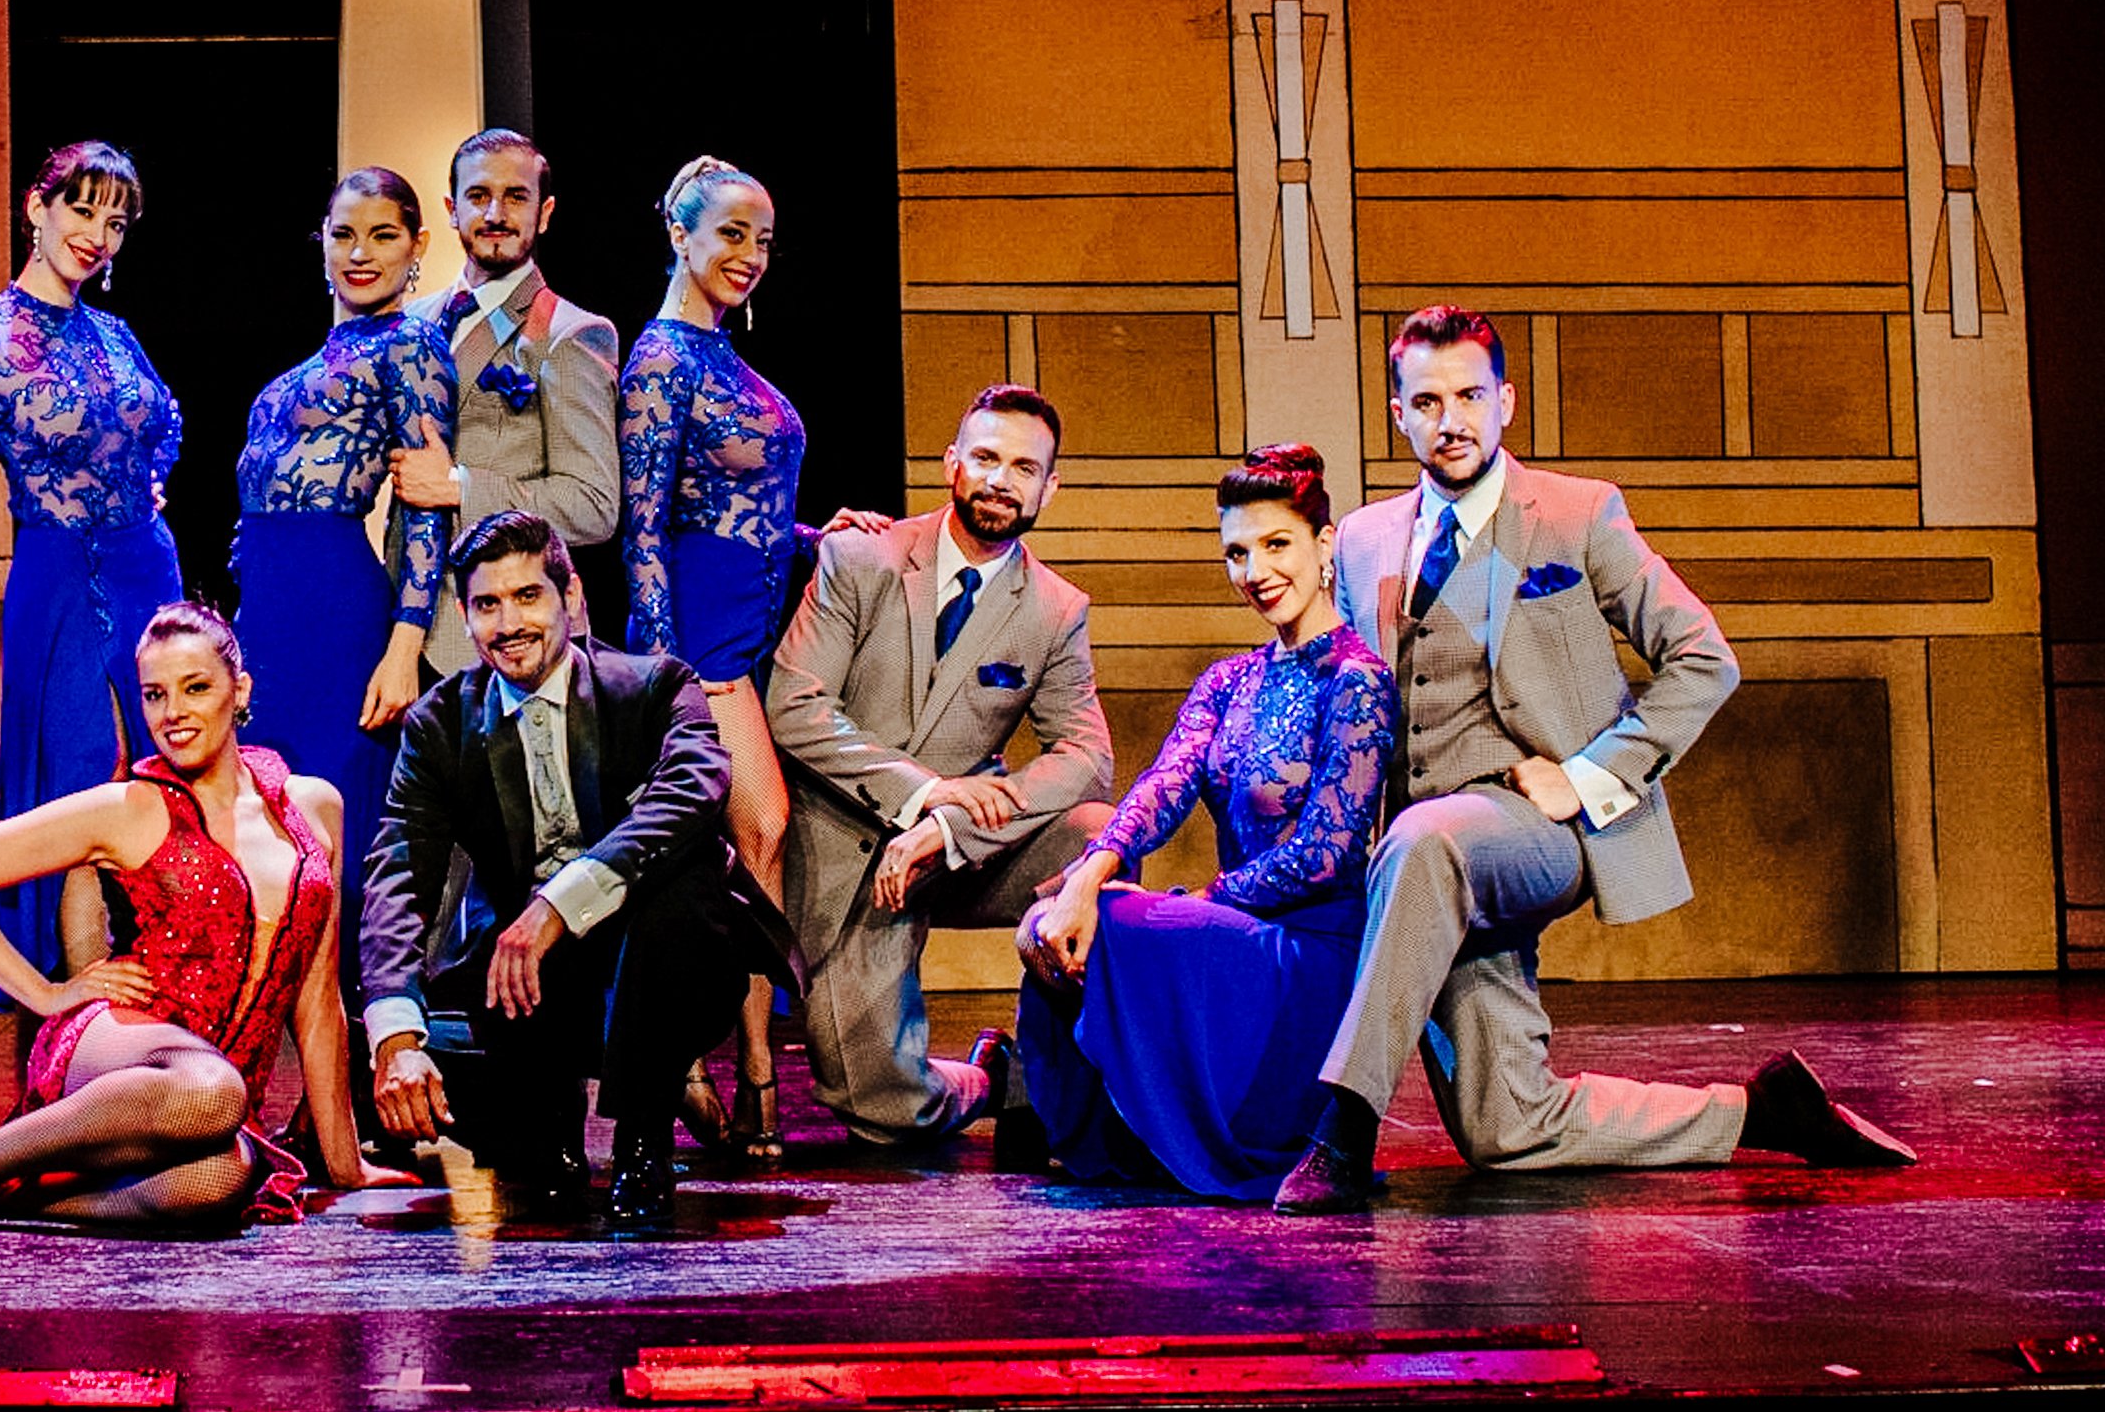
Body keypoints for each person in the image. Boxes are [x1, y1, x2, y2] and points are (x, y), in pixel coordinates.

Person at [1273, 307, 1916, 1214]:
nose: (1450, 420)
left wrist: (1585, 775)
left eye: (1469, 397)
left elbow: (1705, 657)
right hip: (1422, 868)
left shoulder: (1578, 513)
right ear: (1398, 414)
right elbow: (1351, 703)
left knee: (1426, 840)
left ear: (1506, 402)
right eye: (1427, 402)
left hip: (1540, 831)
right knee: (1507, 1127)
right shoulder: (1365, 538)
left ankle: (1343, 1126)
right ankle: (1760, 1111)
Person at [0, 605, 378, 1229]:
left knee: (220, 1179)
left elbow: (318, 999)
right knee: (211, 1088)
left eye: (196, 688)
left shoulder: (313, 808)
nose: (173, 713)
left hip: (213, 1105)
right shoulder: (129, 807)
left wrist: (347, 1166)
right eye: (155, 695)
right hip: (120, 1049)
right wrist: (46, 993)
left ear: (239, 690)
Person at [361, 511, 799, 1232]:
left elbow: (691, 793)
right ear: (465, 618)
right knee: (444, 1093)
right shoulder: (441, 722)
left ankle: (642, 1137)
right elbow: (400, 870)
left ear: (571, 598)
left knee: (680, 881)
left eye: (527, 596)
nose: (509, 623)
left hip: (665, 959)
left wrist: (560, 902)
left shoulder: (657, 685)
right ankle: (546, 1133)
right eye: (487, 604)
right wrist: (397, 1037)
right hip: (530, 976)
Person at [1013, 444, 1392, 1198]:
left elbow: (1324, 852)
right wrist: (1089, 874)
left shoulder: (1358, 681)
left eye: (1276, 544)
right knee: (1059, 918)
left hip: (1308, 955)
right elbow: (1163, 787)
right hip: (1238, 935)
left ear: (1324, 545)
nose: (1256, 571)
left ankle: (1101, 1111)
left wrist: (1206, 898)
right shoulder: (1228, 679)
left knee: (1116, 921)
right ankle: (1083, 1119)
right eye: (1237, 553)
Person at [766, 383, 1116, 1152]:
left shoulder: (1056, 608)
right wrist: (923, 795)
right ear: (952, 461)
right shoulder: (861, 557)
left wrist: (953, 825)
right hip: (853, 849)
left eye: (1024, 467)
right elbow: (795, 706)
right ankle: (992, 1078)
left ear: (1049, 487)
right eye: (985, 457)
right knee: (881, 1110)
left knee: (1096, 836)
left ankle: (1063, 1077)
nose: (1000, 480)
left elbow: (1088, 757)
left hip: (962, 853)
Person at [0, 140, 184, 984]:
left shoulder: (116, 334)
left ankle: (168, 992)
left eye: (115, 222)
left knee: (167, 776)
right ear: (36, 208)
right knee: (83, 783)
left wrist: (151, 478)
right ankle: (82, 1001)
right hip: (58, 577)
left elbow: (167, 419)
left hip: (147, 570)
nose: (97, 235)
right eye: (81, 209)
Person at [618, 153, 807, 1160]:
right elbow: (644, 528)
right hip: (699, 644)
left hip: (757, 634)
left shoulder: (722, 357)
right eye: (731, 232)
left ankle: (745, 1074)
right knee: (753, 830)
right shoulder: (660, 360)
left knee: (739, 850)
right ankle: (725, 1067)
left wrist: (820, 534)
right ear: (677, 233)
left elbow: (742, 509)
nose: (749, 254)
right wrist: (669, 679)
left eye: (763, 239)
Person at [230, 166, 459, 957]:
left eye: (382, 235)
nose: (361, 253)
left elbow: (427, 502)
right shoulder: (317, 358)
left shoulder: (412, 344)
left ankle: (359, 1023)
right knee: (271, 824)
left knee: (337, 830)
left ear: (416, 246)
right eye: (344, 234)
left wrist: (404, 646)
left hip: (336, 611)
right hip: (268, 614)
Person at [386, 128, 623, 677]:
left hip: (514, 642)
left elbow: (593, 505)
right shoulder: (410, 323)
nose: (496, 213)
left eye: (516, 196)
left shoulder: (571, 335)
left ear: (545, 213)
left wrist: (459, 487)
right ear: (452, 209)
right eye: (478, 196)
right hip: (406, 634)